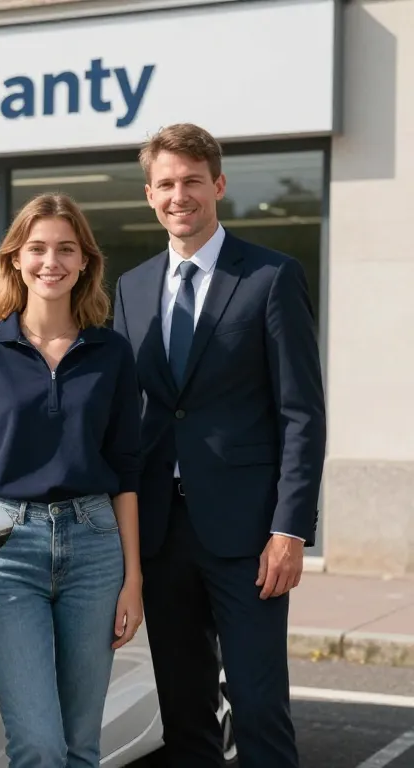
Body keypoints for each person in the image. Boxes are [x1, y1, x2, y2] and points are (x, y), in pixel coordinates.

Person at [111, 123, 326, 767]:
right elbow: (131, 415)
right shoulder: (133, 287)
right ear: (150, 195)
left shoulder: (270, 277)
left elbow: (302, 414)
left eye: (193, 182)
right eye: (167, 184)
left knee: (259, 708)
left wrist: (290, 528)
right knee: (184, 709)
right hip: (161, 532)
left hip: (250, 537)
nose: (181, 195)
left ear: (219, 186)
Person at [0, 193, 144, 768]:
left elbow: (128, 471)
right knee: (38, 745)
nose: (51, 261)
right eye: (38, 248)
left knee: (81, 745)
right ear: (15, 259)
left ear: (84, 263)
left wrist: (133, 579)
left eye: (65, 249)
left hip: (96, 546)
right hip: (7, 549)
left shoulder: (112, 354)